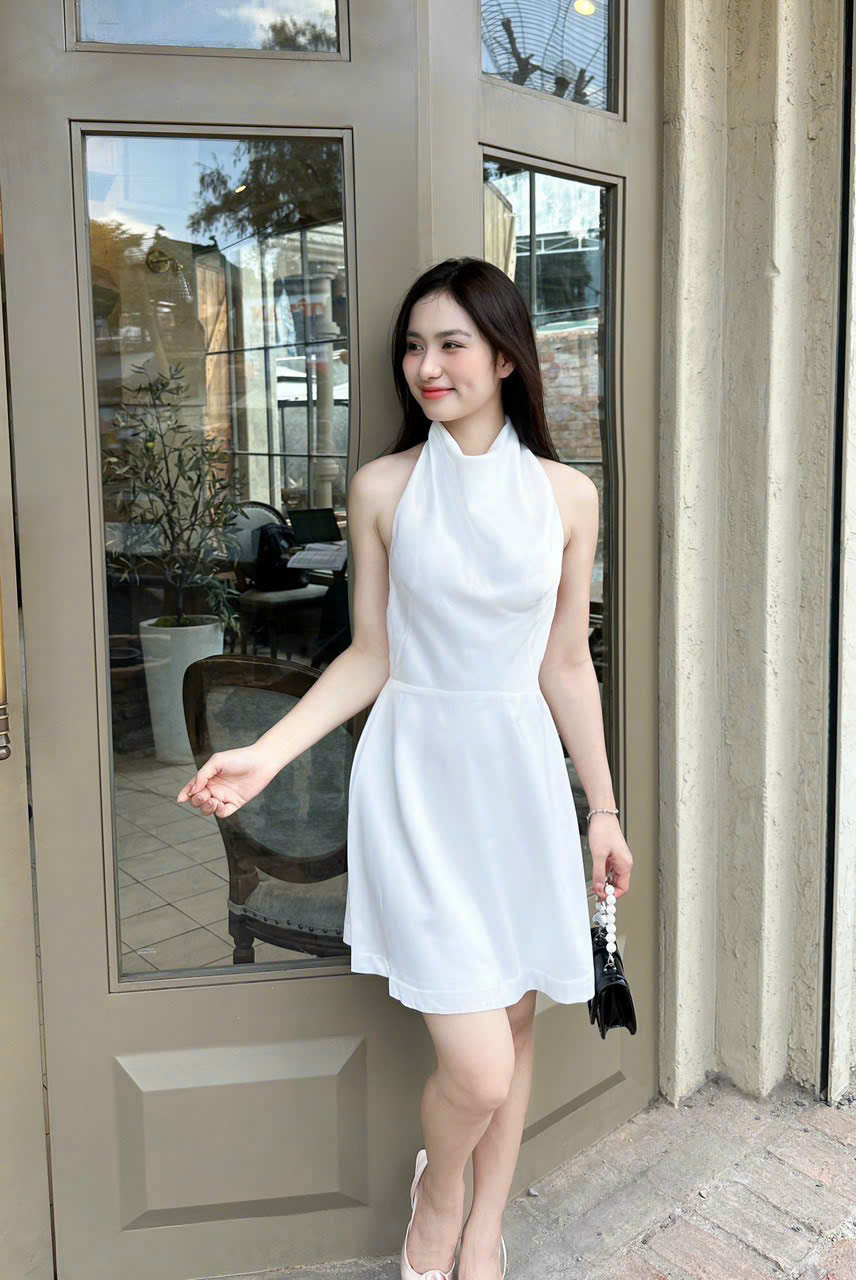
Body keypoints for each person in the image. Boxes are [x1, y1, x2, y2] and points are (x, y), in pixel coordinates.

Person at [177, 256, 633, 1280]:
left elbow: (566, 663)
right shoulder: (384, 488)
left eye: (451, 344)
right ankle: (441, 1194)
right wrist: (264, 755)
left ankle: (484, 1228)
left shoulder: (568, 496)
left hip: (518, 778)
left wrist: (601, 810)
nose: (427, 365)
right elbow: (370, 655)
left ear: (505, 357)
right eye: (414, 346)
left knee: (515, 1017)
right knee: (476, 1064)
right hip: (418, 781)